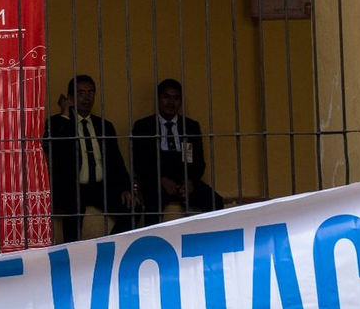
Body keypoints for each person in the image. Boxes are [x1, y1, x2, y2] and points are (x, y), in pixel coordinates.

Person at [42, 75, 133, 242]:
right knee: (73, 208)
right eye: (81, 93)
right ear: (70, 98)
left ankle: (110, 245)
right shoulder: (57, 122)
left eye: (91, 93)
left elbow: (116, 161)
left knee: (133, 207)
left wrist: (125, 188)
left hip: (99, 186)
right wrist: (65, 114)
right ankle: (72, 251)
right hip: (72, 187)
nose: (87, 98)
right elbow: (53, 148)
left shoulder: (104, 126)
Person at [131, 78, 224, 224]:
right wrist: (161, 179)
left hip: (185, 179)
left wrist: (190, 180)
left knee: (216, 202)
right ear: (158, 99)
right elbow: (140, 162)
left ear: (180, 102)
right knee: (153, 207)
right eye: (166, 97)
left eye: (176, 98)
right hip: (156, 181)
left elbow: (199, 161)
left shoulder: (191, 126)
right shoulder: (143, 126)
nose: (171, 102)